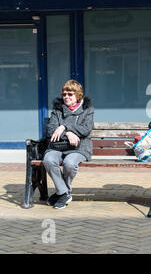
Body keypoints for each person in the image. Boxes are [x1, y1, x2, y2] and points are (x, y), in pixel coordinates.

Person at [43, 80, 94, 209]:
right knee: (48, 160)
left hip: (79, 147)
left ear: (78, 95)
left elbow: (86, 129)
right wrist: (68, 134)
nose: (66, 97)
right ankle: (63, 192)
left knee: (69, 164)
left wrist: (65, 126)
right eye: (64, 94)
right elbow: (51, 130)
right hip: (58, 145)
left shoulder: (87, 110)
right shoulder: (57, 110)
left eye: (70, 94)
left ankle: (61, 193)